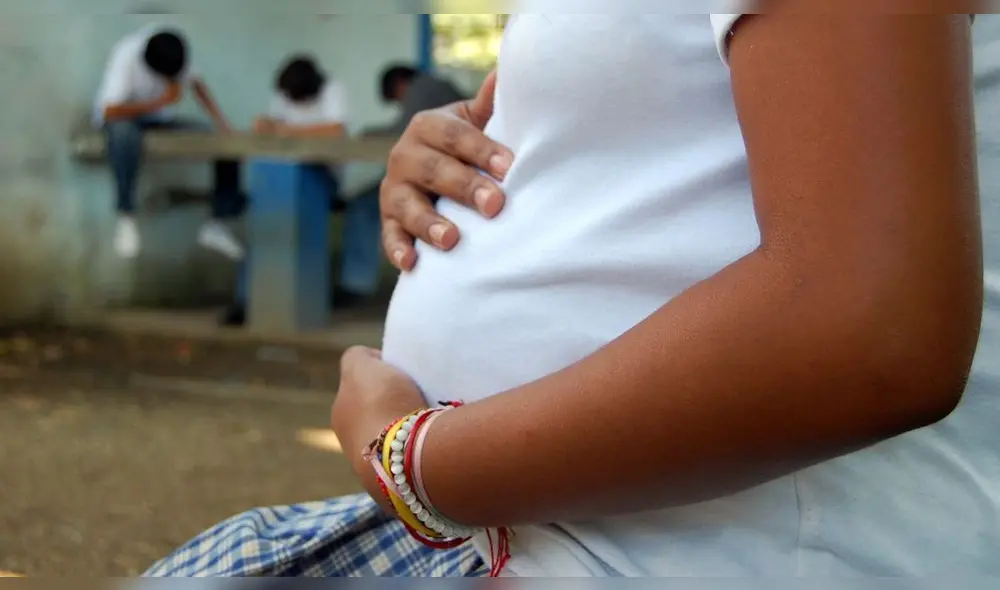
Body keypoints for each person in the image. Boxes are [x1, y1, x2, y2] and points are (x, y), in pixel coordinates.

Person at [145, 13, 998, 578]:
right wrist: (455, 157)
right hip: (549, 537)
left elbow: (869, 327)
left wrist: (411, 464)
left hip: (709, 556)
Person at [217, 55, 383, 327]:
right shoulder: (283, 95)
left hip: (322, 177)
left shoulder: (333, 90)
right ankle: (247, 300)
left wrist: (285, 130)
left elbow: (335, 130)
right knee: (262, 226)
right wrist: (268, 127)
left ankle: (309, 299)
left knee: (301, 229)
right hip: (281, 176)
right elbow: (270, 128)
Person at [94, 25, 244, 260]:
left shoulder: (174, 52)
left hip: (159, 119)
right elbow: (110, 111)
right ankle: (126, 216)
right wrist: (161, 101)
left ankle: (218, 225)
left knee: (221, 142)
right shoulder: (126, 57)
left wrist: (222, 123)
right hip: (122, 118)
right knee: (124, 136)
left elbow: (197, 85)